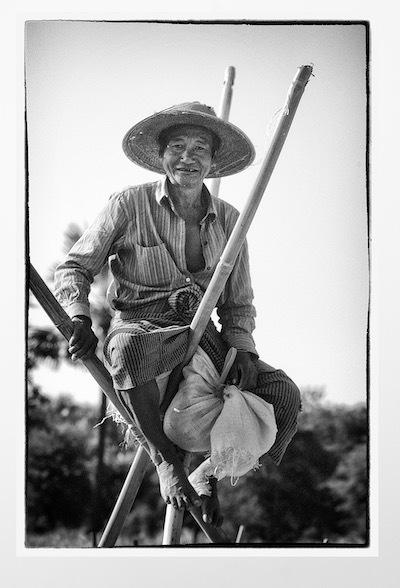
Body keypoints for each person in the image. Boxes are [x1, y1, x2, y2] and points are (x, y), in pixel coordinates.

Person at [54, 102, 301, 528]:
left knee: (283, 395)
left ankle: (206, 475)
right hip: (143, 326)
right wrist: (77, 315)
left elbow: (238, 303)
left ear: (212, 161)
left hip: (203, 334)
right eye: (177, 146)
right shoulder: (129, 204)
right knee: (129, 349)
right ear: (163, 154)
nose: (187, 157)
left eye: (199, 148)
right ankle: (167, 461)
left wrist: (241, 348)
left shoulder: (230, 220)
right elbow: (75, 266)